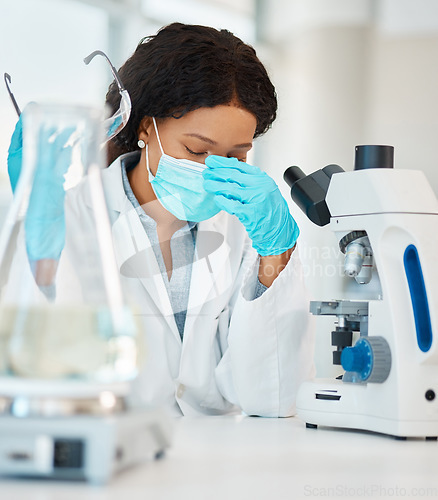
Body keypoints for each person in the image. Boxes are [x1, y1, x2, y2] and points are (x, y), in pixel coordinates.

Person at [7, 23, 315, 417]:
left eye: (236, 158)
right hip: (119, 457)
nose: (213, 173)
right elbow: (41, 368)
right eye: (196, 150)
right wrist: (37, 235)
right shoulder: (72, 214)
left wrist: (277, 251)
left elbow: (275, 398)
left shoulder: (247, 228)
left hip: (223, 465)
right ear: (143, 127)